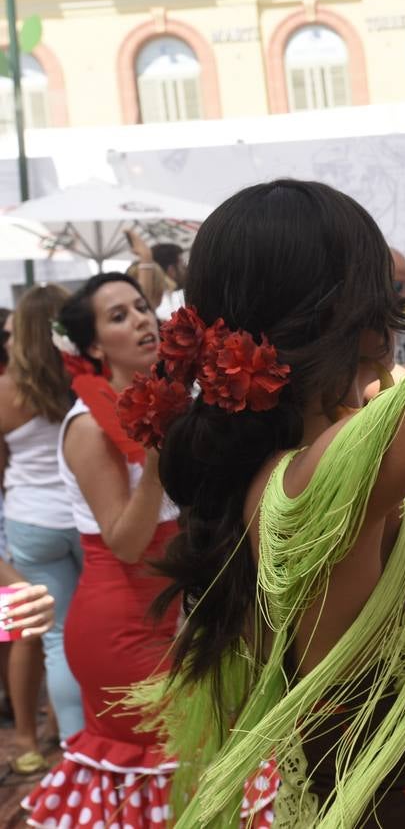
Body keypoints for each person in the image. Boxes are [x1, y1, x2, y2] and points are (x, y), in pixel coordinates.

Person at [122, 179, 405, 826]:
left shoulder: (287, 478)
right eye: (387, 288)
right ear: (352, 313)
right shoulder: (321, 482)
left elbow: (382, 429)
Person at [21, 273, 210, 828]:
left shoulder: (175, 401)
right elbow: (125, 542)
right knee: (164, 773)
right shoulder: (89, 427)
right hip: (124, 622)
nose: (142, 320)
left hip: (175, 607)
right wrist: (156, 460)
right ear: (95, 346)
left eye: (142, 306)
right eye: (119, 316)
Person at [0, 284, 81, 773]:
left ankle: (39, 740)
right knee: (83, 633)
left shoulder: (6, 391)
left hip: (31, 524)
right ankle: (72, 733)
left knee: (42, 635)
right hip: (87, 518)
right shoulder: (86, 381)